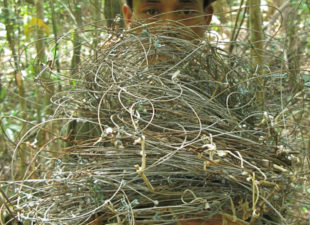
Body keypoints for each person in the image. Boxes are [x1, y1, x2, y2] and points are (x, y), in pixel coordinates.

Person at [119, 1, 240, 225]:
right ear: (129, 18)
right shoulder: (100, 107)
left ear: (206, 18)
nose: (169, 27)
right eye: (152, 12)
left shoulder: (237, 105)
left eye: (185, 12)